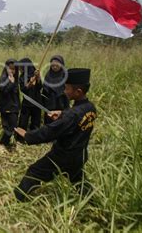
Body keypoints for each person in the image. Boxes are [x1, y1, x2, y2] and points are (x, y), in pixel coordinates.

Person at [14, 68, 97, 201]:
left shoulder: (71, 115)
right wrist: (62, 114)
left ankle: (16, 199)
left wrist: (27, 135)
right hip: (79, 155)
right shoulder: (90, 108)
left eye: (67, 88)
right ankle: (92, 202)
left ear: (78, 91)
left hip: (62, 156)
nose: (64, 91)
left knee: (34, 172)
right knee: (78, 179)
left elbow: (50, 132)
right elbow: (75, 119)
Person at [0, 59, 20, 150]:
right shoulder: (3, 78)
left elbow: (16, 94)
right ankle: (2, 144)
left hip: (14, 106)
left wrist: (18, 106)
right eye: (10, 69)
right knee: (7, 127)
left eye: (14, 69)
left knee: (13, 126)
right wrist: (11, 82)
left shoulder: (15, 78)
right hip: (5, 106)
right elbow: (4, 91)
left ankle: (7, 143)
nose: (12, 71)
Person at [42, 55, 70, 124]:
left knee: (61, 123)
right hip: (50, 104)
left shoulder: (65, 75)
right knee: (49, 124)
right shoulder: (48, 75)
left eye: (57, 65)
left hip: (62, 103)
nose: (54, 67)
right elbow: (44, 90)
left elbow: (69, 89)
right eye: (53, 65)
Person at [17, 58, 42, 132]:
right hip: (27, 102)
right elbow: (23, 89)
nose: (19, 69)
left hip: (37, 101)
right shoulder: (22, 77)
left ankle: (34, 138)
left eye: (21, 67)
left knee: (36, 121)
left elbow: (40, 87)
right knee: (23, 120)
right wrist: (30, 84)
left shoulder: (35, 74)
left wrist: (38, 78)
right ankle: (20, 138)